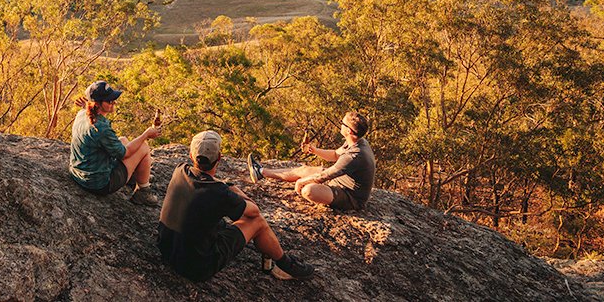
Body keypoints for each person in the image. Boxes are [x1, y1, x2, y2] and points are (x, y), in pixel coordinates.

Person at [158, 130, 315, 282]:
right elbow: (254, 212)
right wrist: (233, 189)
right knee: (259, 222)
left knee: (217, 222)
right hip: (197, 267)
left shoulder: (180, 170)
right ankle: (285, 264)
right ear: (219, 157)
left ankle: (270, 255)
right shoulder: (219, 193)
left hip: (166, 250)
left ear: (191, 155)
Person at [248, 111, 376, 212]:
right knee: (303, 169)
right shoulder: (357, 141)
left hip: (350, 197)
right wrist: (313, 150)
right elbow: (335, 155)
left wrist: (301, 182)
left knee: (308, 190)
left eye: (343, 124)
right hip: (338, 181)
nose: (340, 125)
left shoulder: (355, 155)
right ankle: (261, 172)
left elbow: (325, 176)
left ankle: (328, 197)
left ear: (349, 131)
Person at [69, 80, 162, 207]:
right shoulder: (101, 128)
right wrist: (145, 135)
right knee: (143, 147)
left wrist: (87, 105)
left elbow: (91, 115)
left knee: (123, 139)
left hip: (78, 173)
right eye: (109, 101)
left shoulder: (82, 114)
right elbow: (125, 154)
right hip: (99, 184)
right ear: (97, 104)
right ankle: (142, 192)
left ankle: (135, 175)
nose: (114, 102)